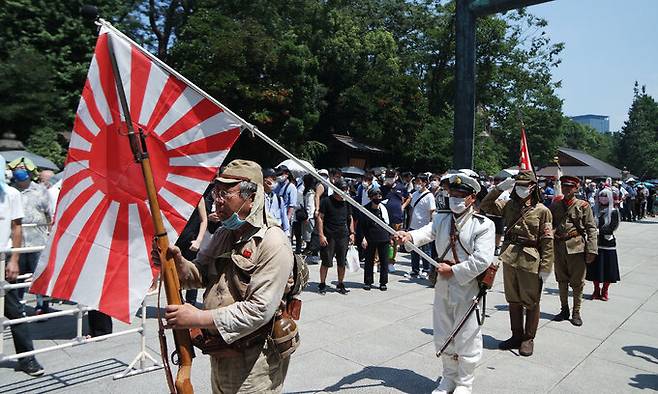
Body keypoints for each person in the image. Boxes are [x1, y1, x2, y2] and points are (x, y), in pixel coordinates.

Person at [158, 159, 294, 393]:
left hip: (254, 364)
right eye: (216, 193)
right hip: (221, 351)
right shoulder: (224, 233)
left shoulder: (273, 242)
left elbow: (259, 310)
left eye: (225, 194)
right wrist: (177, 264)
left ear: (252, 198)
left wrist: (197, 318)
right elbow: (200, 274)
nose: (217, 202)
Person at [394, 173, 495, 394]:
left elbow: (482, 259)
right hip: (442, 283)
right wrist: (409, 236)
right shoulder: (442, 218)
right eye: (453, 194)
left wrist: (455, 270)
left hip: (466, 285)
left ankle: (464, 383)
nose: (456, 198)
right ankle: (448, 378)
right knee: (443, 332)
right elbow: (427, 232)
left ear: (472, 197)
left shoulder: (483, 225)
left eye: (461, 195)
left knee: (467, 334)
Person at [480, 170, 553, 357]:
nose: (521, 189)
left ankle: (528, 338)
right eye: (518, 185)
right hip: (510, 255)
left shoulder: (542, 210)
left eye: (524, 186)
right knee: (512, 299)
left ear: (533, 187)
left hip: (530, 258)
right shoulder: (509, 205)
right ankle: (516, 335)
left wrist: (546, 267)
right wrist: (498, 188)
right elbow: (485, 205)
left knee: (531, 300)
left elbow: (547, 241)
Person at [1, 156, 44, 376]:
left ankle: (27, 359)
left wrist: (14, 259)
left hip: (9, 256)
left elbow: (16, 228)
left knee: (15, 309)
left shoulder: (11, 194)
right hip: (12, 254)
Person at [550, 175, 598, 327]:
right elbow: (551, 223)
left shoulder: (583, 205)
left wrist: (592, 249)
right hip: (559, 247)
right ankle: (564, 310)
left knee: (577, 283)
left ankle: (576, 312)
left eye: (570, 187)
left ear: (576, 188)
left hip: (576, 247)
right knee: (561, 280)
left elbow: (591, 227)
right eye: (564, 186)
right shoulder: (556, 204)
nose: (566, 189)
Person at [12, 168, 52, 314]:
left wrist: (50, 234)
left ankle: (42, 307)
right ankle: (18, 308)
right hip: (18, 243)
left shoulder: (41, 191)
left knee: (39, 276)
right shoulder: (11, 191)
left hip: (37, 242)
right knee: (18, 279)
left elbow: (49, 215)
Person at [317, 179, 355, 295]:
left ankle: (340, 283)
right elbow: (320, 218)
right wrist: (321, 235)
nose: (344, 192)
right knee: (326, 261)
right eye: (342, 190)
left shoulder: (346, 202)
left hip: (342, 235)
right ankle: (322, 283)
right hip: (329, 235)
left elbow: (350, 218)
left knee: (341, 262)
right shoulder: (326, 201)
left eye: (346, 190)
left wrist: (352, 233)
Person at [586, 188, 620, 301]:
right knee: (595, 269)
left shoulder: (614, 211)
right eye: (601, 196)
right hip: (595, 243)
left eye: (605, 196)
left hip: (608, 243)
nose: (603, 198)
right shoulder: (593, 210)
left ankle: (605, 290)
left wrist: (599, 231)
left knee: (608, 269)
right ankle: (596, 289)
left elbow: (613, 226)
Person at [359, 187, 390, 291]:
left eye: (380, 196)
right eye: (375, 196)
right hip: (370, 238)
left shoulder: (383, 209)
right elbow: (361, 226)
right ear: (371, 197)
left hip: (383, 238)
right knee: (369, 261)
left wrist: (390, 236)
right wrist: (363, 238)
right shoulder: (365, 209)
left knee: (384, 261)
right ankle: (368, 281)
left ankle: (383, 282)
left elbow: (388, 224)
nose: (378, 198)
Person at [406, 174, 436, 279]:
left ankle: (426, 270)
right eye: (416, 182)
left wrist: (431, 226)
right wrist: (408, 225)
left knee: (426, 250)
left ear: (425, 183)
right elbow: (411, 210)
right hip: (413, 225)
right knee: (414, 249)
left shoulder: (429, 196)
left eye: (419, 182)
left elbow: (432, 212)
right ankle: (415, 270)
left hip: (424, 227)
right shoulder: (414, 194)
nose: (417, 184)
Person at [380, 170, 410, 272]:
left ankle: (390, 261)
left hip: (396, 217)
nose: (390, 178)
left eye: (392, 176)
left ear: (396, 176)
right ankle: (378, 261)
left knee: (394, 241)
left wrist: (403, 206)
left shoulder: (401, 187)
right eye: (388, 176)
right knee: (381, 240)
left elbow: (408, 197)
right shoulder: (382, 188)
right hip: (384, 217)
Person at [263, 168, 290, 234]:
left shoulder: (278, 199)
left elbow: (284, 216)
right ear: (265, 180)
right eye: (273, 179)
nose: (274, 182)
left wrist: (287, 233)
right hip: (263, 231)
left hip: (276, 231)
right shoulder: (259, 197)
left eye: (275, 179)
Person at [274, 165, 297, 231]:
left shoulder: (292, 187)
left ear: (287, 174)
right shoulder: (276, 185)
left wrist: (287, 220)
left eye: (281, 174)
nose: (279, 176)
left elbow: (291, 206)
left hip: (286, 217)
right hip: (276, 217)